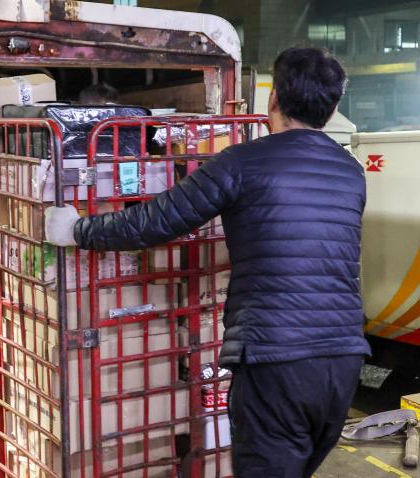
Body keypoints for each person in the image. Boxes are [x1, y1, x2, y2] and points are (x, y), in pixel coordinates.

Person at [45, 47, 370, 477]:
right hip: (344, 358)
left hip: (276, 358)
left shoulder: (243, 162)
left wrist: (77, 230)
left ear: (272, 99)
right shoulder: (350, 171)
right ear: (331, 109)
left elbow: (156, 220)